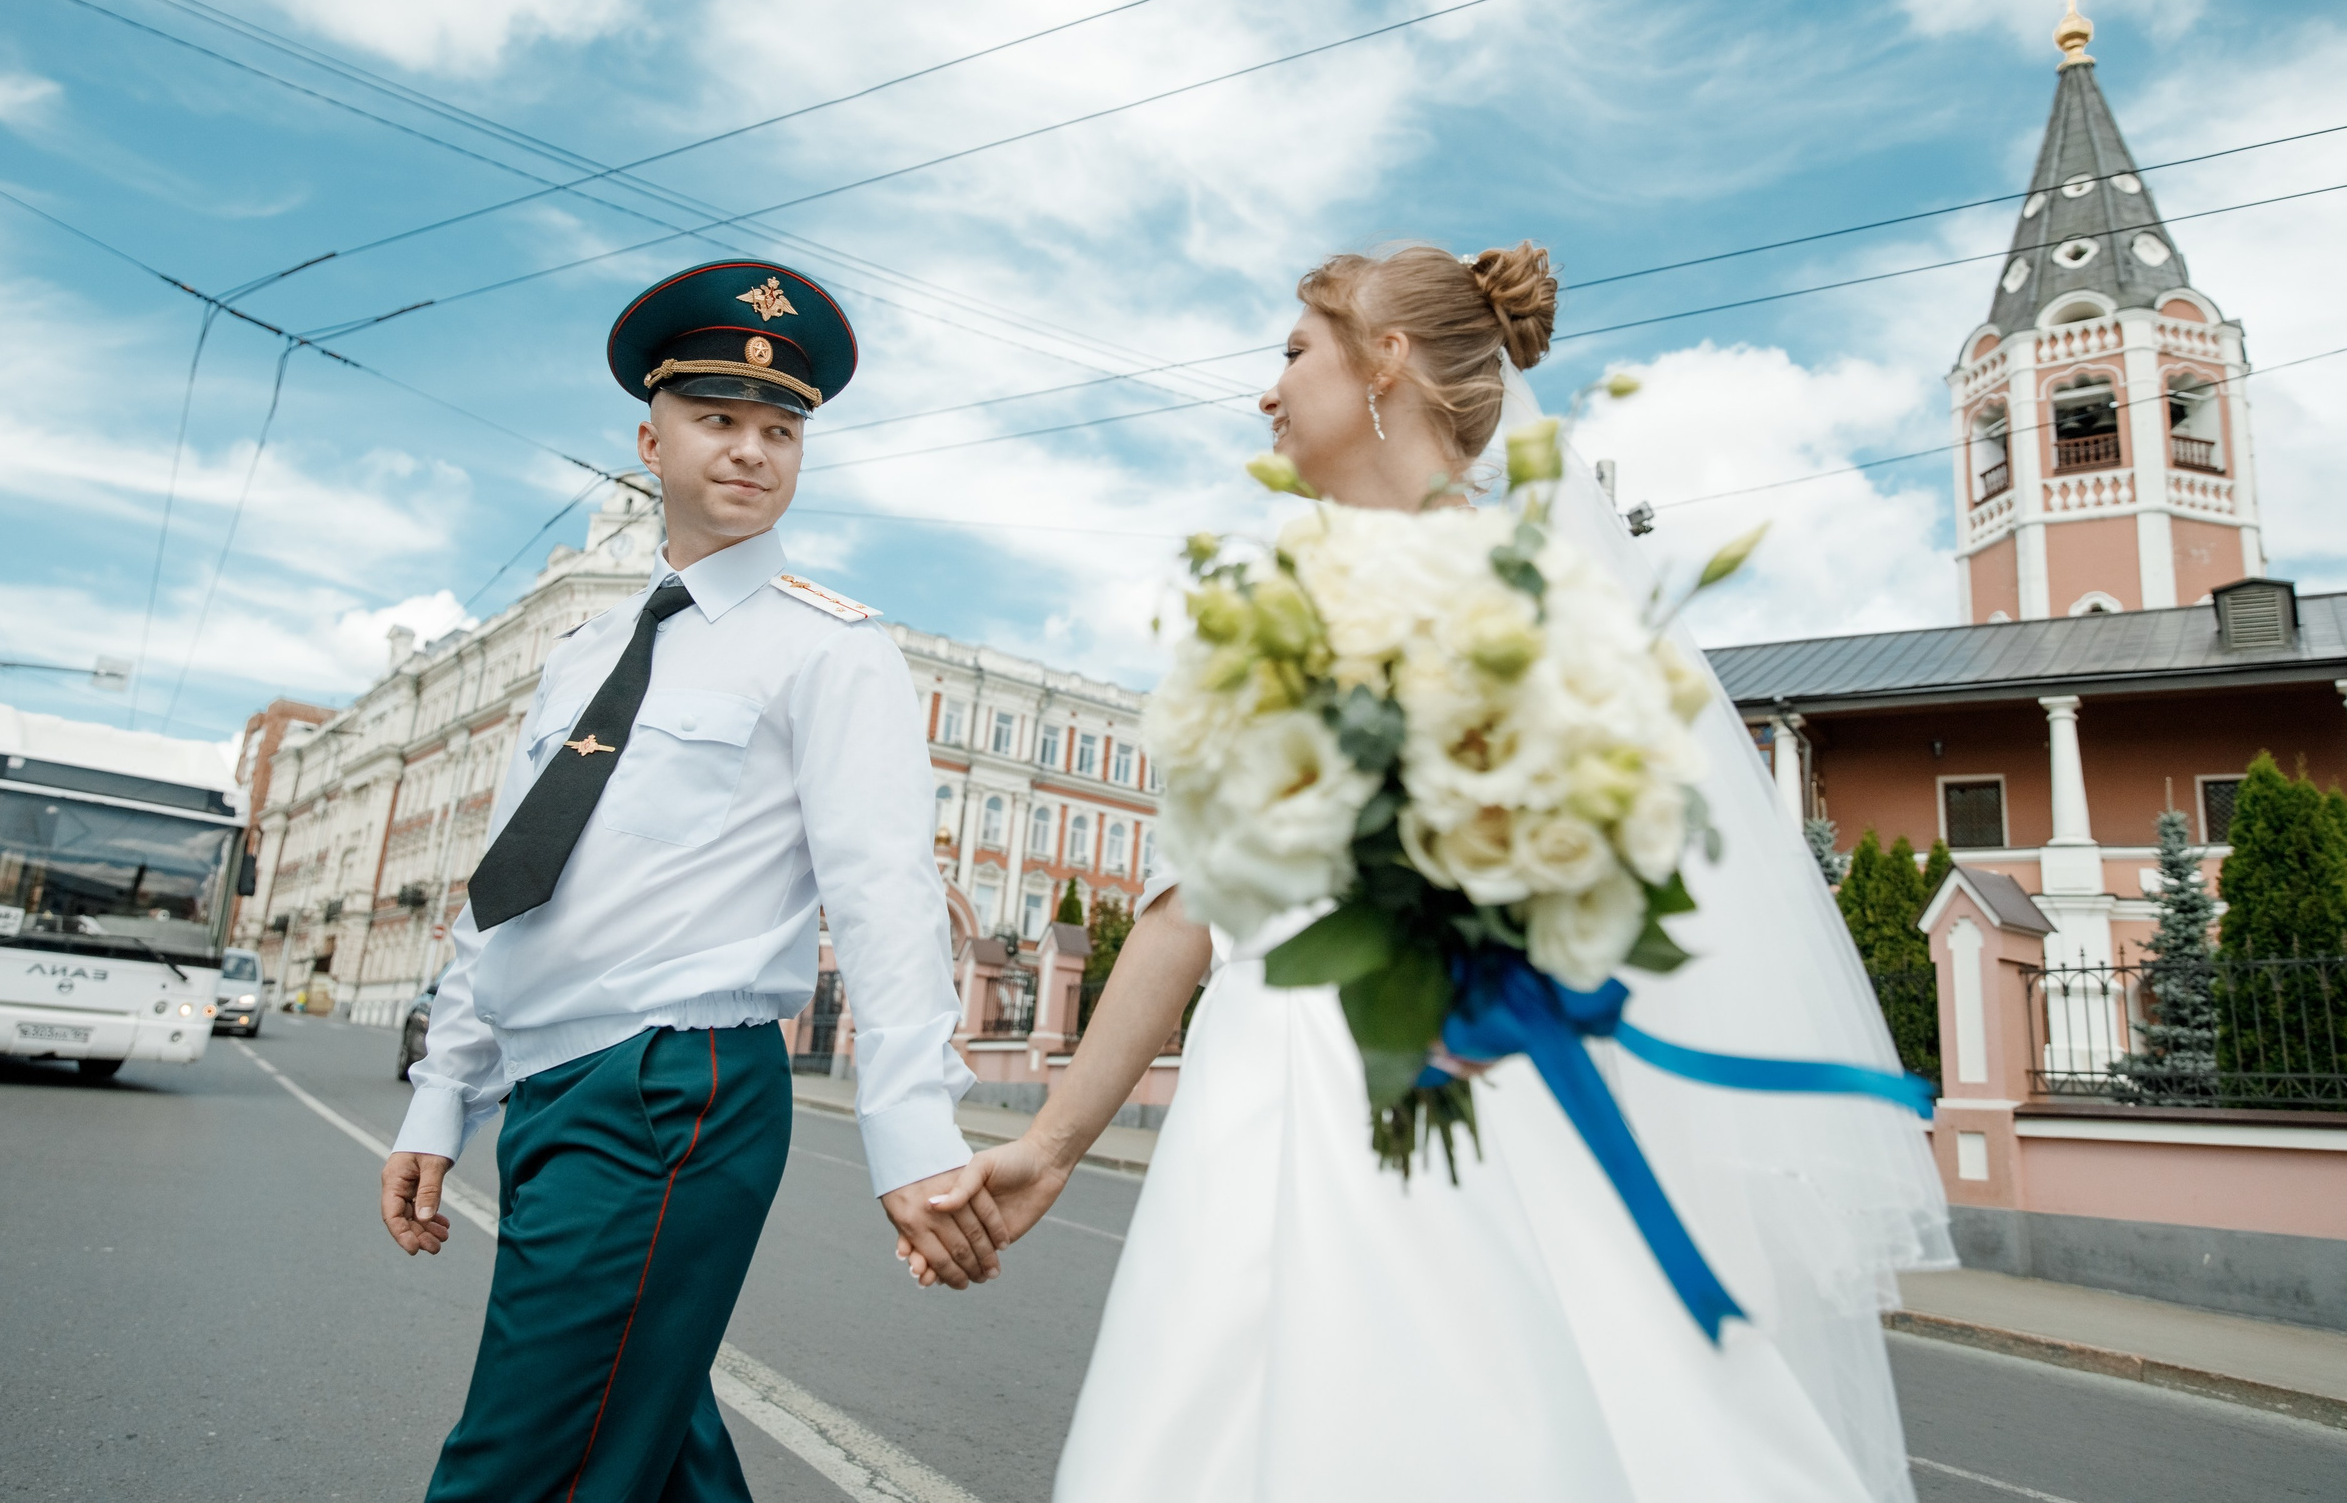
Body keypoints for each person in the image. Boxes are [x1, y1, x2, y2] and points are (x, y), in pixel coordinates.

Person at [918, 243, 1955, 1501]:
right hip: (1249, 1116)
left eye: (1294, 351)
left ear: (1384, 364)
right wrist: (1056, 1142)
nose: (1266, 390)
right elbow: (1189, 909)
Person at [379, 259, 1007, 1503]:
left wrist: (913, 1130)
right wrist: (443, 1093)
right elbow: (506, 887)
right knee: (646, 1430)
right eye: (718, 420)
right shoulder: (582, 655)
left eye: (780, 430)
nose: (751, 451)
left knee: (522, 1460)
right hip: (557, 1090)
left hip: (674, 1086)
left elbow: (885, 893)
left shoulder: (833, 649)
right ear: (648, 438)